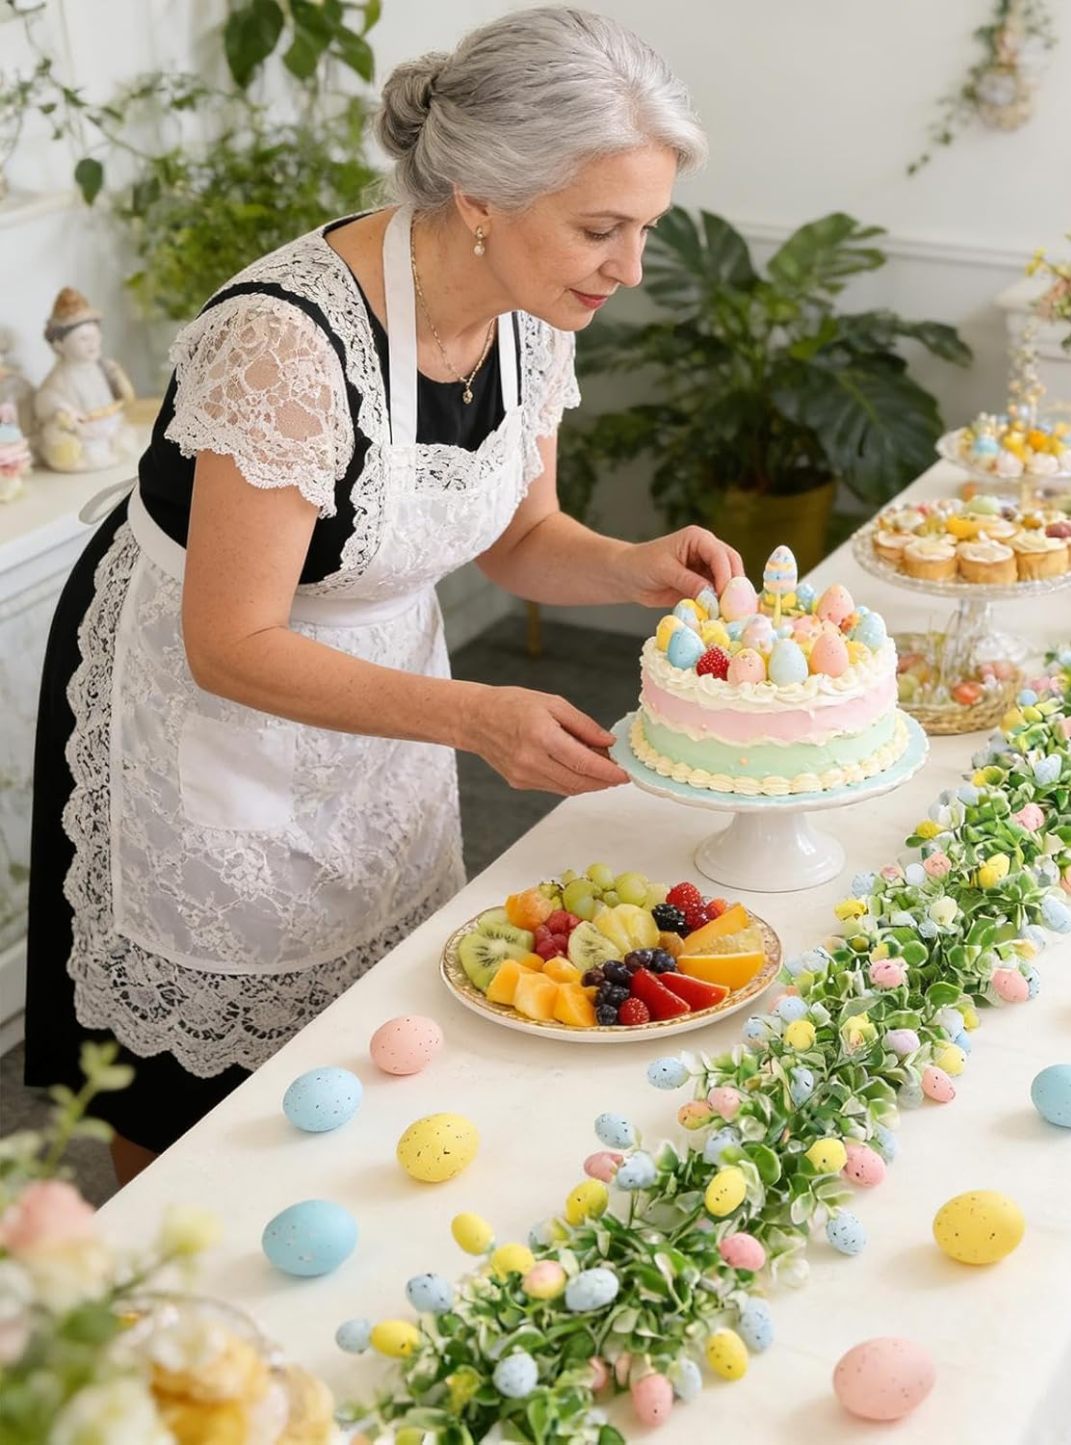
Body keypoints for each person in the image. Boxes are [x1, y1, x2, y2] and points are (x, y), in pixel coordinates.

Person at [25, 6, 736, 1183]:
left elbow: (520, 536)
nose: (629, 267)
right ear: (478, 201)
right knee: (189, 1092)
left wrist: (627, 564)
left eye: (645, 227)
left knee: (374, 1026)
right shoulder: (281, 343)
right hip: (204, 703)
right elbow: (231, 643)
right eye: (601, 229)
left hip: (381, 690)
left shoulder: (536, 309)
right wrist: (472, 716)